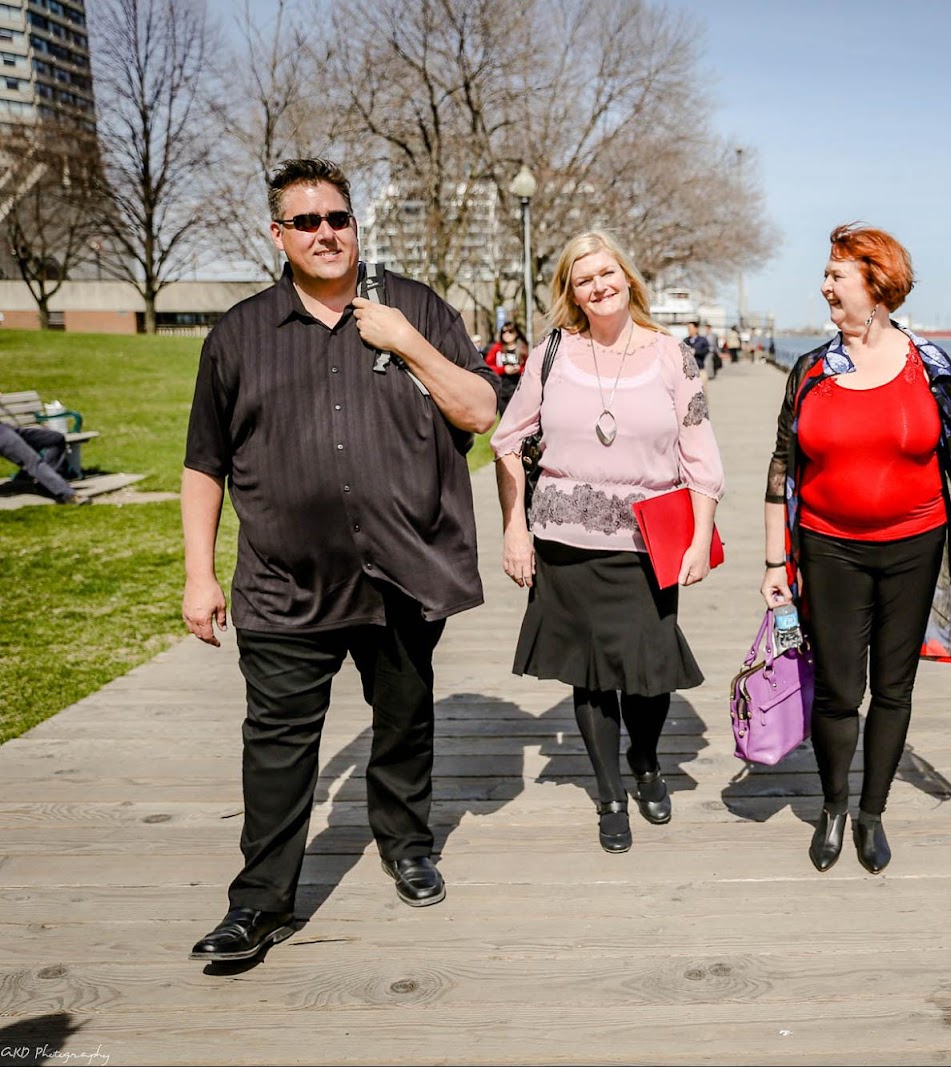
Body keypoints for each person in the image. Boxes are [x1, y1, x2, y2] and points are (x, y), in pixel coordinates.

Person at [181, 157, 499, 963]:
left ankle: (406, 842)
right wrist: (196, 573)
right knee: (278, 743)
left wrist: (407, 341)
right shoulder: (239, 334)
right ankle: (258, 902)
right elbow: (203, 462)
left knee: (403, 721)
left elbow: (480, 410)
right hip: (284, 587)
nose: (327, 232)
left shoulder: (415, 307)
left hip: (401, 570)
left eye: (339, 217)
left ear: (356, 224)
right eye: (307, 221)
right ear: (278, 234)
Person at [761, 223, 951, 876]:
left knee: (894, 688)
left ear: (876, 284)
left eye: (836, 273)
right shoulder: (812, 370)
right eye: (826, 272)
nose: (824, 284)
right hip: (829, 549)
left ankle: (872, 812)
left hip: (915, 547)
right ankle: (833, 804)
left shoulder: (930, 367)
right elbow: (781, 466)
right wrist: (774, 562)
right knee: (839, 690)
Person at [492, 230, 724, 854]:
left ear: (627, 276)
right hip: (565, 544)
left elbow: (700, 456)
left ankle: (646, 762)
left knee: (649, 673)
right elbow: (507, 441)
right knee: (591, 677)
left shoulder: (673, 355)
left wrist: (700, 539)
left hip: (649, 541)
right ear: (571, 290)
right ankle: (611, 793)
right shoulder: (552, 353)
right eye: (583, 278)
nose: (598, 286)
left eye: (606, 273)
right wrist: (515, 527)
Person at [0, 422, 86, 504]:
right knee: (32, 461)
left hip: (6, 429)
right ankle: (68, 494)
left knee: (55, 438)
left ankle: (46, 486)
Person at [485, 321, 529, 413]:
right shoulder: (497, 348)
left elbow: (528, 368)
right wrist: (504, 369)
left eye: (510, 331)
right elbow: (488, 366)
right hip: (502, 388)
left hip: (518, 388)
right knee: (504, 416)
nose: (507, 334)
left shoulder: (522, 348)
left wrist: (518, 370)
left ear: (516, 333)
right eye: (504, 332)